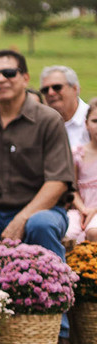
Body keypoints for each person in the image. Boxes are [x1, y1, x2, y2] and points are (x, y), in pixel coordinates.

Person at [0, 49, 75, 344]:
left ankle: (59, 331)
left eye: (9, 73)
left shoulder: (48, 120)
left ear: (25, 78)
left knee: (41, 226)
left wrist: (22, 218)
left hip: (43, 208)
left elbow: (58, 182)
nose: (1, 79)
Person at [66, 98, 97, 244]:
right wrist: (83, 209)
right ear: (86, 124)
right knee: (67, 232)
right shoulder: (77, 154)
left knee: (94, 231)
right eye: (95, 121)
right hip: (81, 209)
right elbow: (73, 189)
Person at [40, 65, 89, 149]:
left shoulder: (92, 118)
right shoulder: (41, 124)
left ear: (75, 89)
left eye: (57, 87)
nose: (50, 93)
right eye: (45, 90)